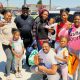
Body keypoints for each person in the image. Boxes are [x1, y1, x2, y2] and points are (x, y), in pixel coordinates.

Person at [0, 10, 17, 80]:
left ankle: (12, 69)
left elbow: (16, 30)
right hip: (6, 44)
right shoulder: (1, 23)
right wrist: (8, 42)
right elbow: (1, 36)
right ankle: (7, 74)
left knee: (13, 57)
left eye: (10, 16)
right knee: (9, 57)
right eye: (8, 15)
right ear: (4, 15)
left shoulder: (12, 23)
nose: (9, 17)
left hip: (13, 43)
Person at [68, 13, 80, 80]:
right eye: (75, 19)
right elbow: (67, 38)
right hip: (71, 50)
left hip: (79, 50)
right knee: (72, 67)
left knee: (78, 67)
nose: (77, 20)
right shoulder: (70, 28)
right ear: (73, 20)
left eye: (78, 19)